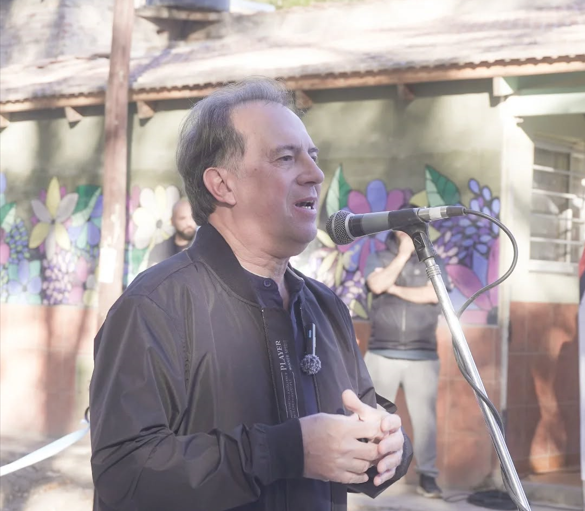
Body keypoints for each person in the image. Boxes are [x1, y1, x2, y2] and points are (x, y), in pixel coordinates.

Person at [89, 79, 412, 511]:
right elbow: (123, 474)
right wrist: (285, 451)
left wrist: (387, 446)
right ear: (223, 185)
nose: (315, 174)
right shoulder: (154, 306)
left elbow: (364, 415)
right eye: (286, 158)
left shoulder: (325, 307)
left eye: (313, 156)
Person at [364, 228, 451, 499]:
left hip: (422, 354)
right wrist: (401, 257)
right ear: (394, 232)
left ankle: (427, 476)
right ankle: (369, 472)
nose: (409, 235)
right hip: (382, 351)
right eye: (403, 229)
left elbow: (434, 295)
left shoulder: (433, 262)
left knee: (425, 420)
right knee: (374, 417)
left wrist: (394, 288)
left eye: (414, 230)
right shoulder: (379, 257)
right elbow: (377, 285)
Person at [147, 197, 197, 266]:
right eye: (182, 218)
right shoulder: (159, 250)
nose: (189, 223)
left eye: (193, 217)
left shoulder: (204, 246)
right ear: (172, 221)